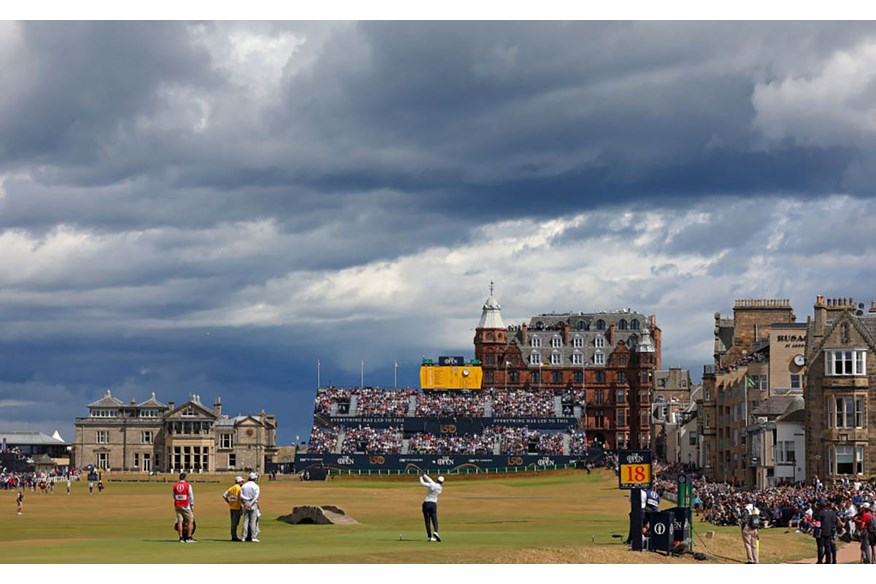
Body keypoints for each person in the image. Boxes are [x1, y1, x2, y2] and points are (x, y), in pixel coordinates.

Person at [419, 472, 444, 542]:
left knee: (427, 521)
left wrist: (420, 476)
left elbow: (422, 483)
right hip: (433, 504)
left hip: (426, 503)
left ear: (437, 480)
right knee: (434, 519)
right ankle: (436, 531)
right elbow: (431, 481)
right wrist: (424, 475)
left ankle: (429, 537)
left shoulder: (432, 485)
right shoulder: (440, 488)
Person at [172, 472, 197, 543]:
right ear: (185, 478)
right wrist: (192, 506)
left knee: (180, 521)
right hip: (185, 505)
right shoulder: (188, 485)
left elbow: (173, 495)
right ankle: (189, 537)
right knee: (190, 520)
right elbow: (191, 496)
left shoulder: (175, 485)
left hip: (177, 505)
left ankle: (181, 538)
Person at [223, 476, 245, 542]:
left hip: (232, 507)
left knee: (233, 522)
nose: (242, 482)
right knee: (235, 523)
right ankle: (234, 537)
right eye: (242, 481)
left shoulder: (231, 488)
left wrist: (228, 502)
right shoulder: (239, 488)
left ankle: (233, 535)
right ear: (239, 482)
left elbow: (224, 495)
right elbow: (241, 498)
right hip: (237, 507)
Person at [240, 472, 261, 542]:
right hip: (253, 504)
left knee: (245, 520)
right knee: (253, 521)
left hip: (246, 503)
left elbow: (241, 495)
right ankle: (253, 537)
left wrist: (246, 499)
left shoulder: (244, 486)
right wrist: (251, 503)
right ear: (254, 478)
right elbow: (256, 497)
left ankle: (243, 537)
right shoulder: (256, 486)